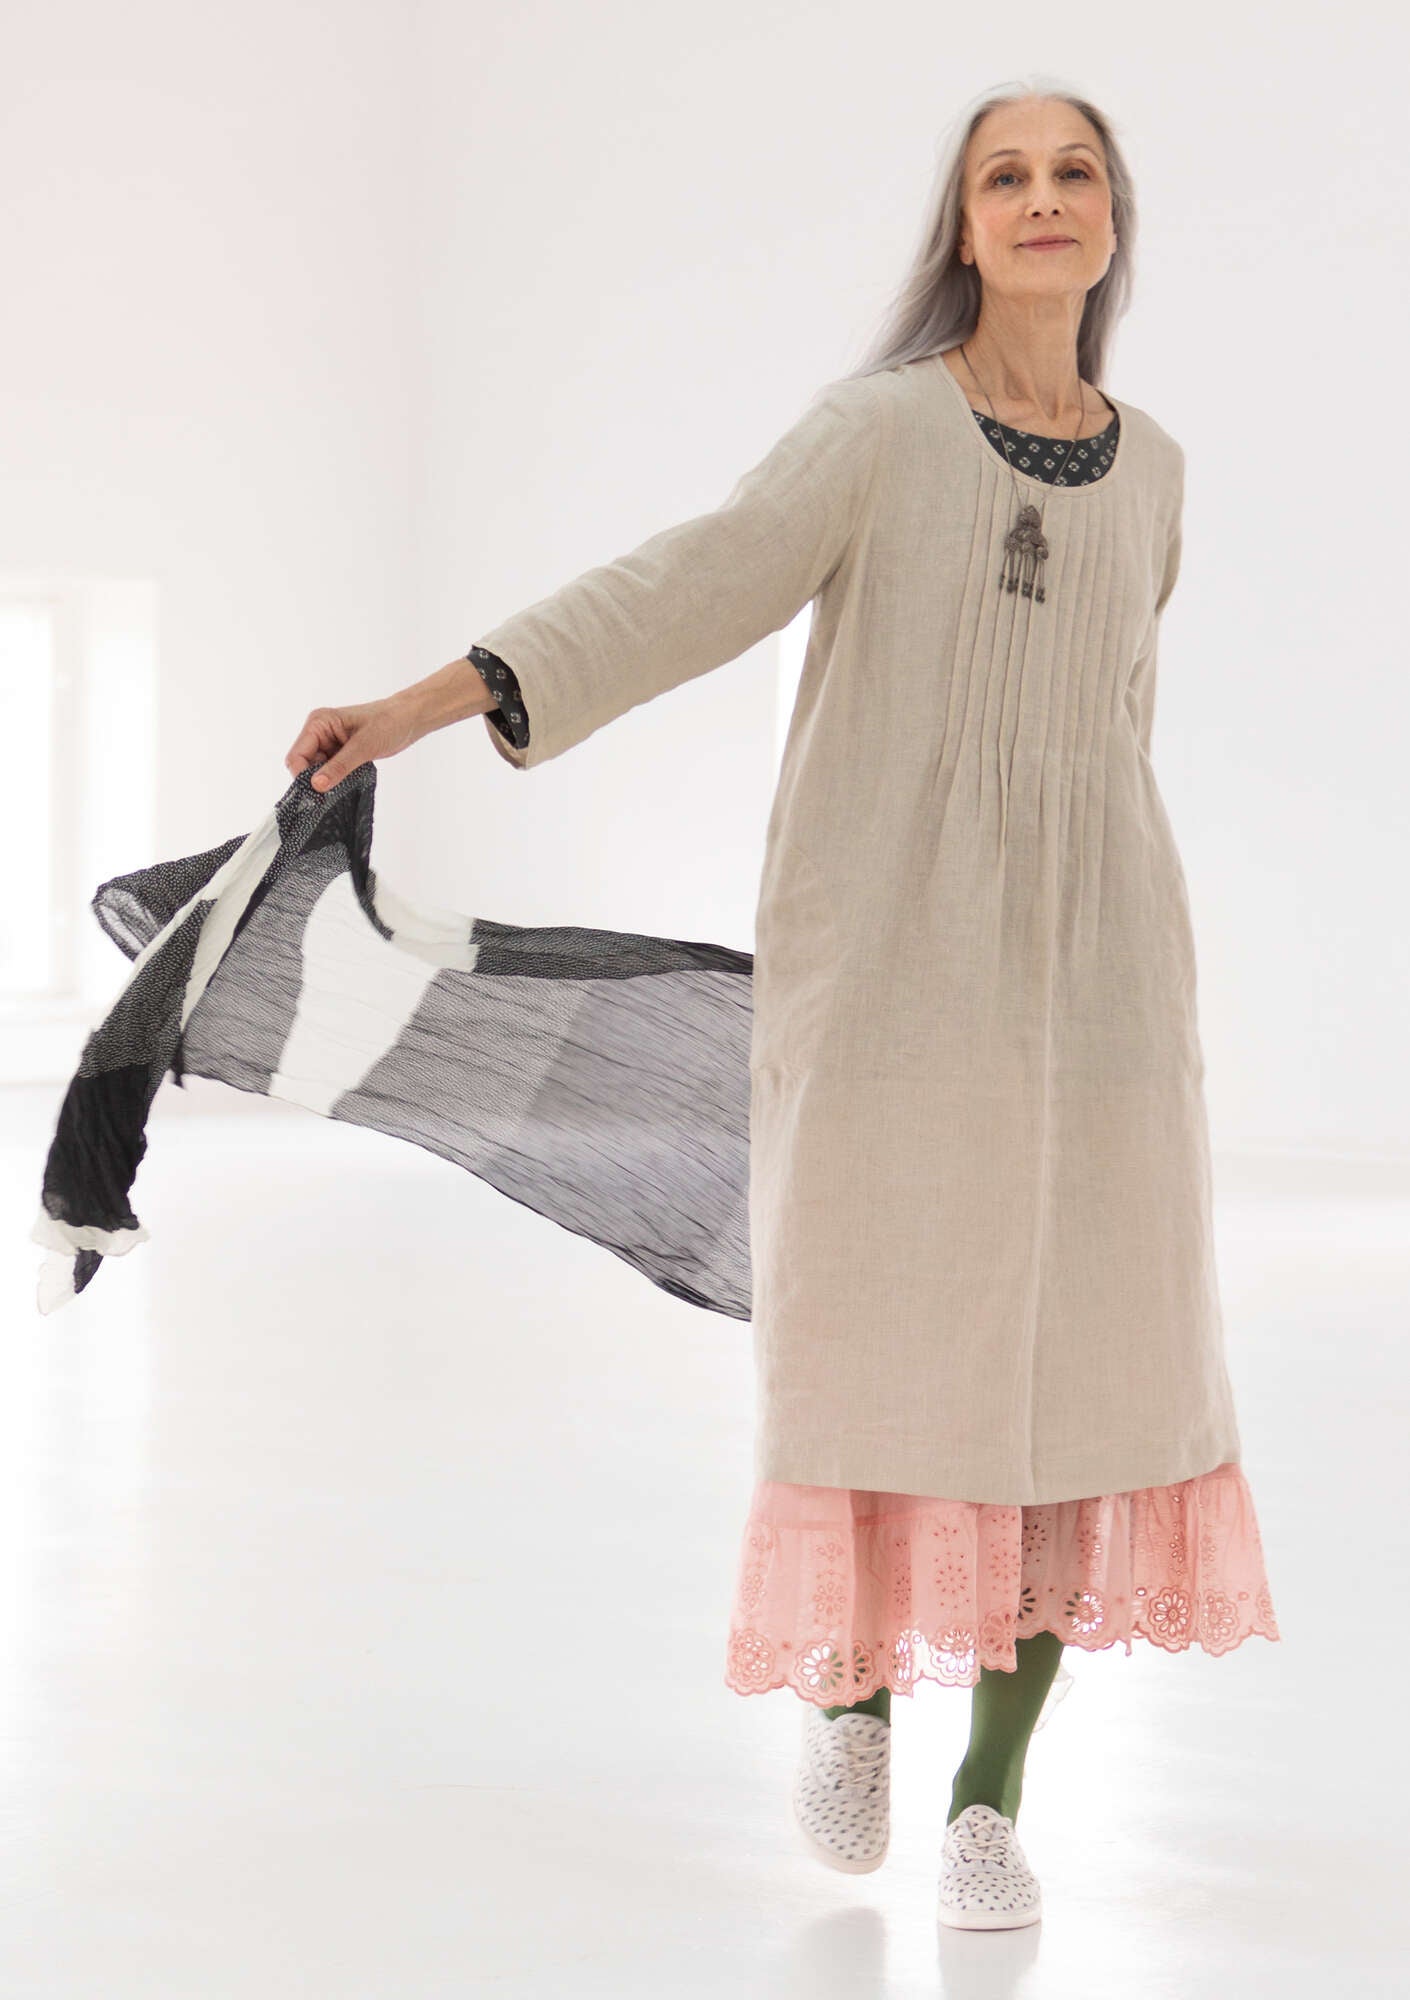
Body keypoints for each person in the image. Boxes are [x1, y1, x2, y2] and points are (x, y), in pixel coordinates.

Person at [284, 81, 1280, 1930]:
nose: (1042, 198)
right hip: (889, 957)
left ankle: (987, 1803)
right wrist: (427, 703)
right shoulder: (876, 431)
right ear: (963, 229)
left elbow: (1114, 731)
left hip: (1105, 984)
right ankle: (848, 1701)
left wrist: (1130, 961)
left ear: (1111, 219)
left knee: (1081, 1371)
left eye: (1073, 172)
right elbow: (684, 587)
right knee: (873, 1346)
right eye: (1005, 175)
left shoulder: (1154, 470)